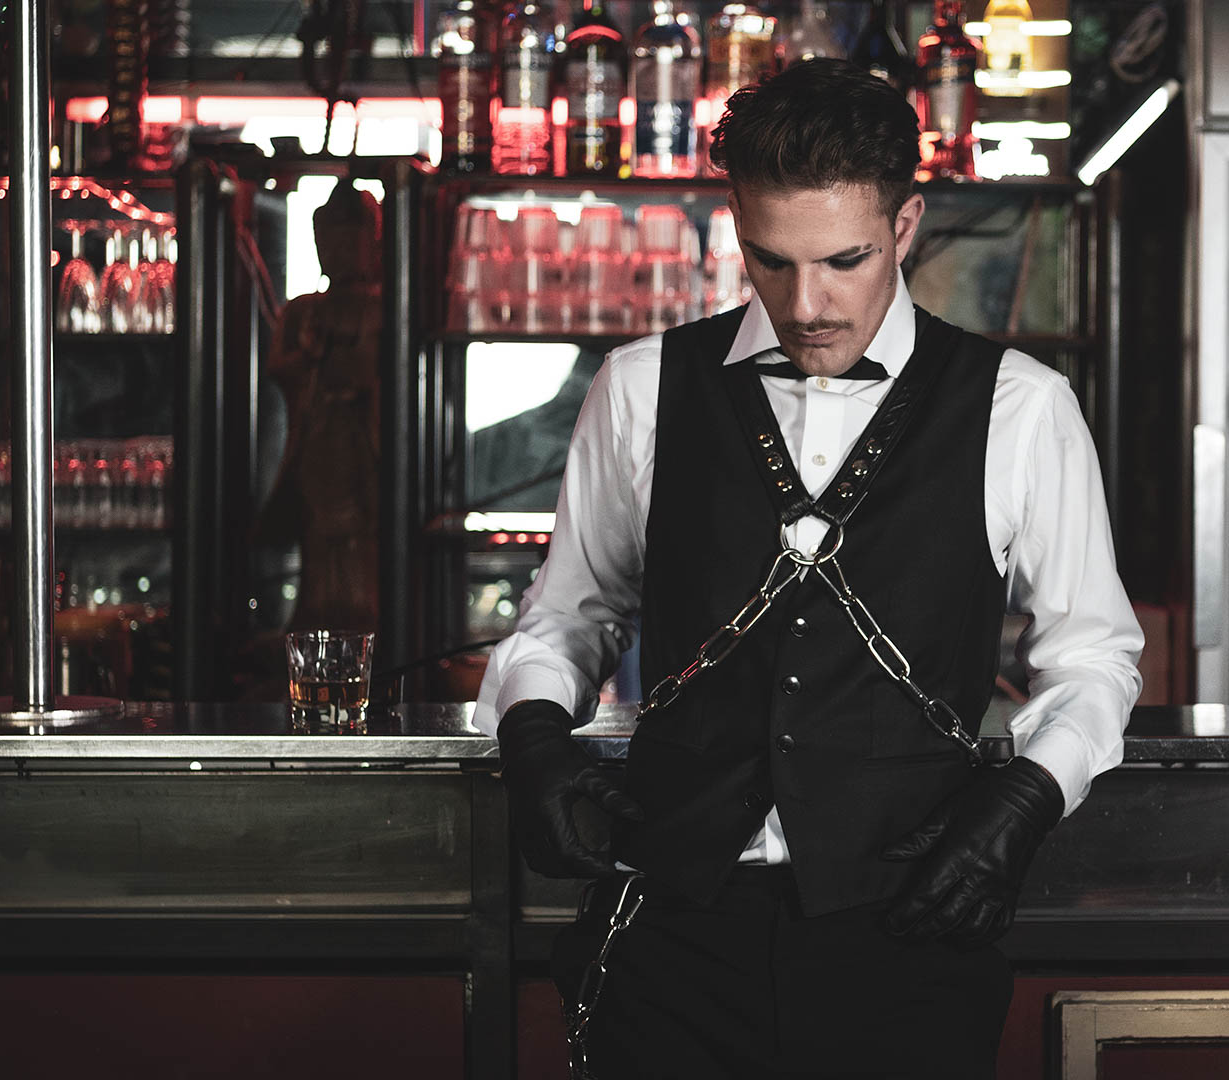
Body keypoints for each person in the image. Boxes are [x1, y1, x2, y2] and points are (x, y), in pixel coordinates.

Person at [471, 58, 1143, 1079]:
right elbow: (570, 615)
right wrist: (531, 733)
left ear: (905, 227)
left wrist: (1027, 799)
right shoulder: (640, 388)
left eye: (844, 260)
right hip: (672, 932)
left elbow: (1092, 658)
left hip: (909, 927)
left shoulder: (1021, 407)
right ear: (736, 226)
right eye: (770, 261)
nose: (807, 302)